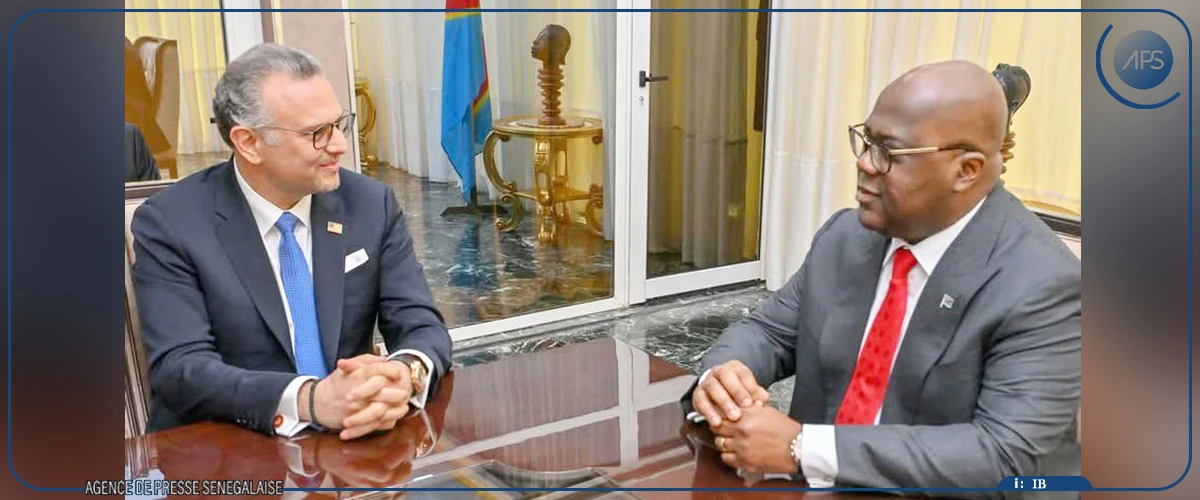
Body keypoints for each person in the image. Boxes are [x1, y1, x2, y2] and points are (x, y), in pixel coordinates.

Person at [684, 61, 1080, 494]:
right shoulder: (847, 236)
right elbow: (769, 332)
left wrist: (803, 448)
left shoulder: (1045, 283)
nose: (864, 163)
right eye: (867, 140)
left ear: (966, 170)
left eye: (889, 151)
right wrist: (724, 376)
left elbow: (1005, 456)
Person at [132, 43, 452, 440]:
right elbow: (182, 368)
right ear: (249, 142)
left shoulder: (370, 204)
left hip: (352, 442)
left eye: (339, 124)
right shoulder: (172, 223)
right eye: (317, 133)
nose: (340, 145)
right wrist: (308, 400)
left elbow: (421, 325)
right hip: (230, 449)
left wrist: (404, 375)